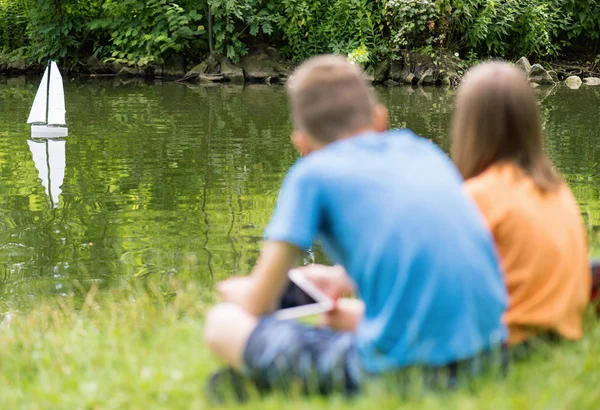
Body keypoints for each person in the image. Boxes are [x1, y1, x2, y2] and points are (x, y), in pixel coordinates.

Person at [203, 55, 507, 399]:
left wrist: (243, 292)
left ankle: (280, 384)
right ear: (380, 120)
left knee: (223, 323)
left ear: (302, 144)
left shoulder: (312, 174)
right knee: (333, 320)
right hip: (491, 355)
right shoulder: (423, 151)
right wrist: (342, 278)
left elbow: (259, 303)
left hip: (407, 375)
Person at [451, 61, 591, 349]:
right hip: (561, 329)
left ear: (468, 129)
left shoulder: (478, 196)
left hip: (509, 341)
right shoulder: (557, 189)